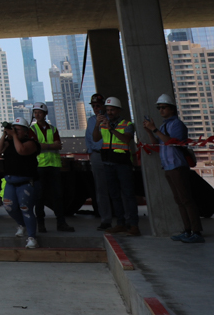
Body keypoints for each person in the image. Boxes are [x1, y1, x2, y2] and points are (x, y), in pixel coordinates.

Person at [139, 93, 203, 243]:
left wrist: (154, 129)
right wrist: (150, 131)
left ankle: (196, 232)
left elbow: (172, 142)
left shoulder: (177, 125)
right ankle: (187, 230)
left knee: (186, 199)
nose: (161, 110)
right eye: (159, 108)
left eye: (164, 107)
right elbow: (157, 144)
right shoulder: (163, 125)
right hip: (168, 166)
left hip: (177, 165)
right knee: (179, 200)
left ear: (172, 109)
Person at [96, 96, 139, 236]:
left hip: (123, 164)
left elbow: (127, 140)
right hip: (108, 163)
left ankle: (133, 225)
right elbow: (95, 138)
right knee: (114, 195)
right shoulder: (103, 124)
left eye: (112, 110)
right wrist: (98, 125)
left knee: (128, 195)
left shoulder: (127, 124)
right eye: (107, 110)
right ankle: (120, 223)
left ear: (119, 110)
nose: (109, 112)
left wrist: (111, 129)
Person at [27, 105, 73, 233]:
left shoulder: (52, 129)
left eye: (39, 112)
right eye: (35, 112)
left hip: (53, 166)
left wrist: (44, 146)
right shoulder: (32, 129)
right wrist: (50, 145)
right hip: (40, 166)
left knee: (58, 195)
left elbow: (58, 146)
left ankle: (61, 222)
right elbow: (35, 146)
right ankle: (41, 224)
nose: (37, 115)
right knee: (39, 197)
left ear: (45, 114)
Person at [0, 120, 40, 249]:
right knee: (9, 206)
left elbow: (21, 150)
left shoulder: (32, 143)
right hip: (11, 181)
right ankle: (22, 224)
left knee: (25, 208)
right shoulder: (9, 143)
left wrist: (14, 136)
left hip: (26, 181)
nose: (15, 131)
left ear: (26, 131)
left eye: (19, 129)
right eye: (14, 128)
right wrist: (5, 134)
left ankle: (32, 237)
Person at [84, 94, 113, 229]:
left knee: (116, 187)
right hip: (97, 155)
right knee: (101, 189)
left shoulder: (111, 119)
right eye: (93, 106)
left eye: (98, 105)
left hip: (111, 154)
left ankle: (122, 218)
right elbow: (89, 140)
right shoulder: (91, 121)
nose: (96, 108)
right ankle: (105, 219)